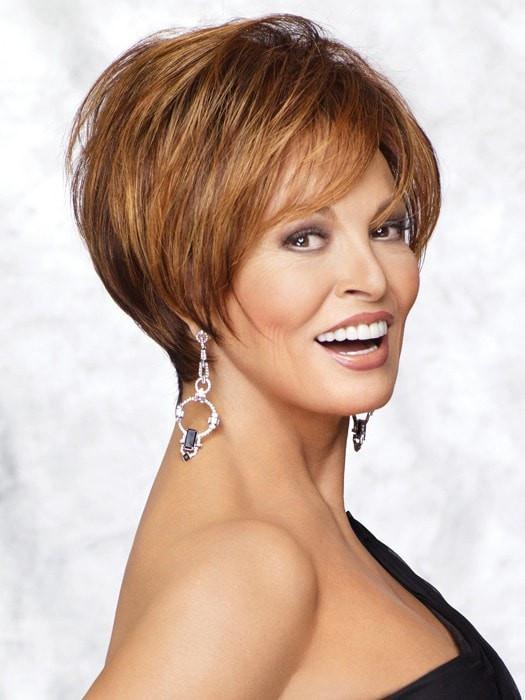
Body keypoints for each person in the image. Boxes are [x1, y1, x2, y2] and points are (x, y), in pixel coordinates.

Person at [65, 13, 521, 699]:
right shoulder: (246, 570)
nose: (370, 277)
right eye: (304, 238)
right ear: (186, 282)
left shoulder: (301, 524)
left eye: (386, 228)